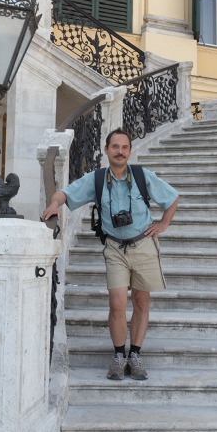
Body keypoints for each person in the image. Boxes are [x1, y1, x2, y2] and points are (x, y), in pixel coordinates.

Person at [41, 127, 179, 381]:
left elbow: (172, 198)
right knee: (117, 302)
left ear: (129, 150)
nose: (120, 152)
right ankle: (118, 355)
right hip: (115, 248)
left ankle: (134, 355)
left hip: (143, 245)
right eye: (115, 147)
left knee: (141, 301)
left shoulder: (141, 176)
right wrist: (53, 204)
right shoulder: (97, 180)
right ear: (106, 150)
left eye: (124, 147)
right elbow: (65, 193)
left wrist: (163, 224)